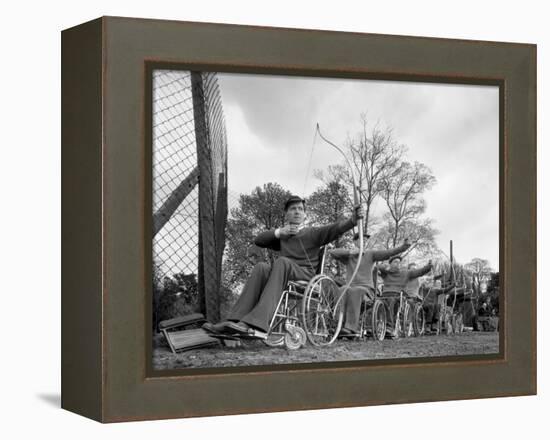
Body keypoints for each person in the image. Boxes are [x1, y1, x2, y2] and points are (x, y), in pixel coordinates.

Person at [203, 195, 364, 338]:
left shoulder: (313, 232)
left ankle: (257, 323)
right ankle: (234, 321)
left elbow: (336, 229)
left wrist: (352, 220)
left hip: (305, 276)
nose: (297, 211)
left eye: (300, 209)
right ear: (286, 214)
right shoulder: (283, 235)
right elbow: (259, 240)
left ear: (305, 214)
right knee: (261, 267)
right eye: (293, 209)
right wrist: (279, 233)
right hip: (283, 274)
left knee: (281, 262)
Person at [329, 235, 410, 337]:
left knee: (356, 291)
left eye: (365, 240)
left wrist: (403, 247)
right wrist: (350, 252)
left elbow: (388, 253)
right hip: (350, 286)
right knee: (342, 289)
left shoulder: (370, 254)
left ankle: (351, 327)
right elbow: (332, 253)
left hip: (366, 289)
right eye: (361, 239)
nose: (363, 241)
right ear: (355, 242)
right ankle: (338, 324)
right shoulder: (349, 256)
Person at [378, 256, 433, 337]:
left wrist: (428, 266)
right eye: (395, 262)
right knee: (376, 302)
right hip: (384, 295)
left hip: (398, 296)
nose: (398, 264)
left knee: (391, 301)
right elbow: (378, 267)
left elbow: (420, 272)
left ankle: (389, 327)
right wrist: (385, 267)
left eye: (399, 262)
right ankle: (377, 326)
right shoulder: (386, 273)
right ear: (390, 264)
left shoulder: (405, 273)